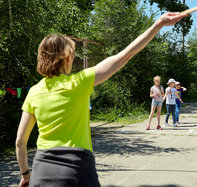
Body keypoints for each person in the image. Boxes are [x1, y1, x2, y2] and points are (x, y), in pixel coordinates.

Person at [15, 12, 186, 187]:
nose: (73, 58)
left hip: (42, 170)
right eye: (72, 54)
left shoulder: (34, 92)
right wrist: (157, 25)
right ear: (66, 58)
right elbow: (126, 54)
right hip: (77, 168)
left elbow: (20, 141)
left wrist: (25, 174)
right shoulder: (80, 82)